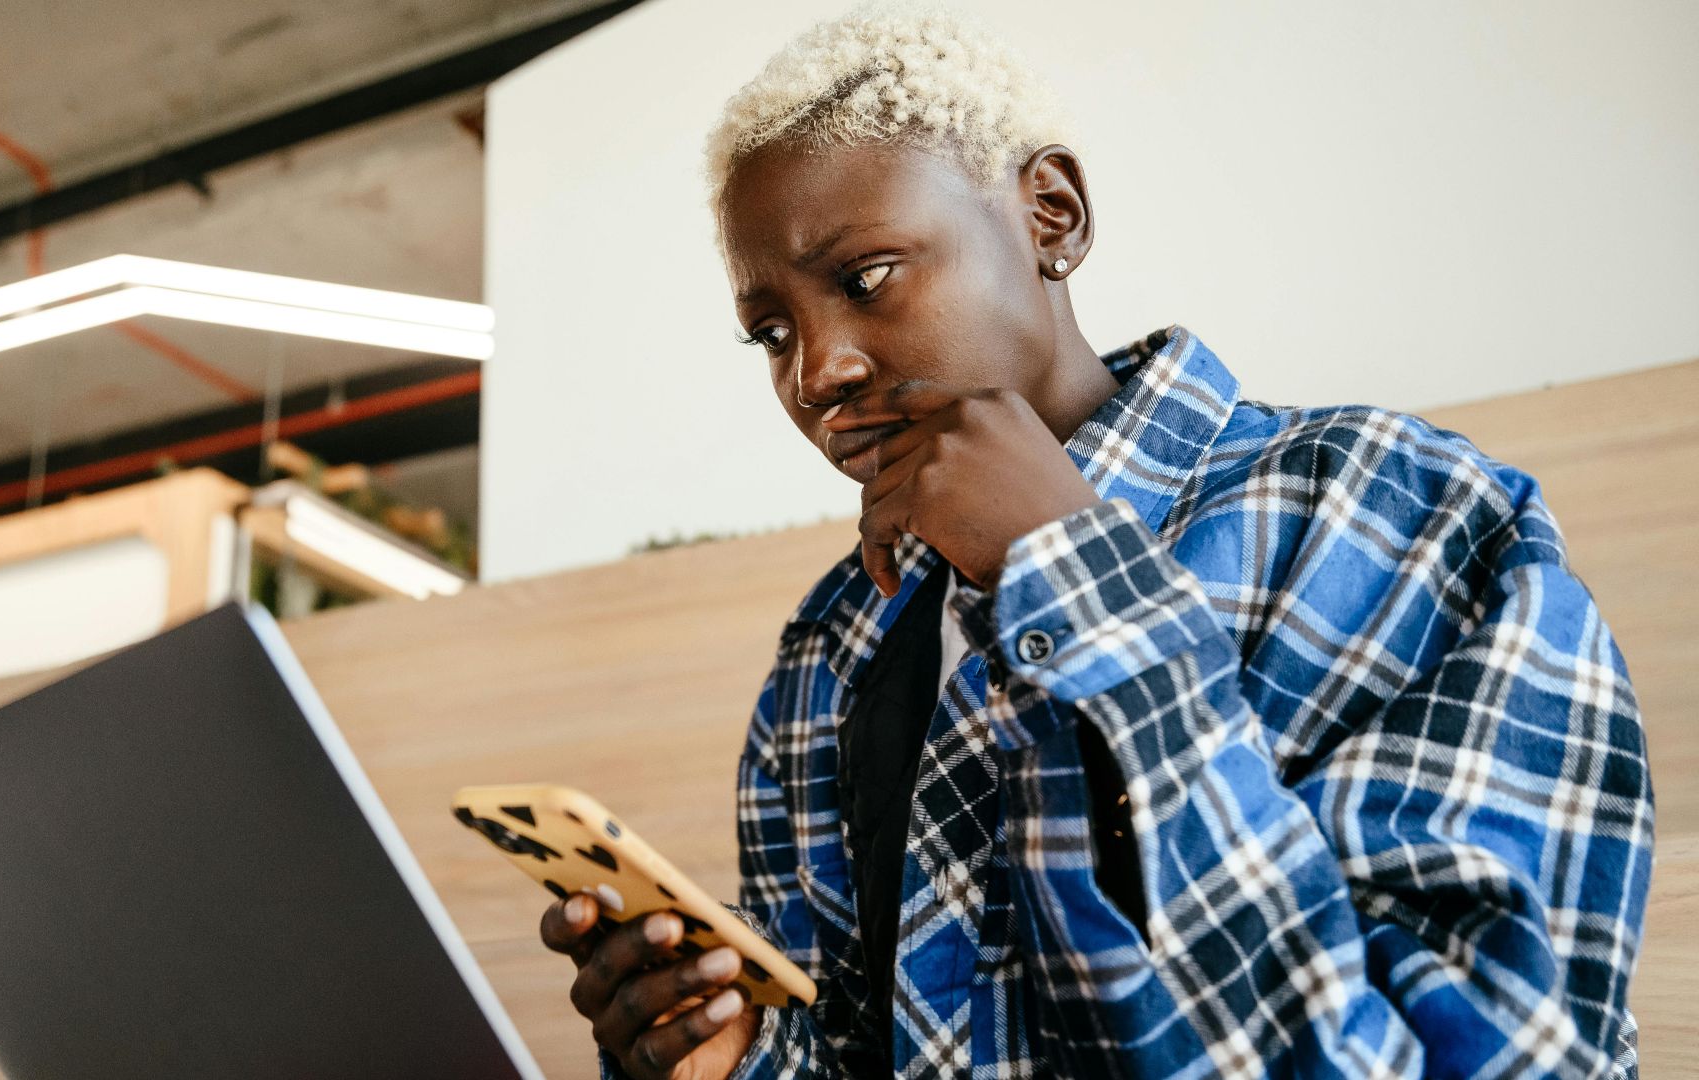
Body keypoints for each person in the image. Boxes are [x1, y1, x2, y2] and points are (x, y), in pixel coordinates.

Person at [537, 5, 1653, 1077]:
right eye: (771, 331)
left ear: (1051, 215)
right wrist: (725, 1054)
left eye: (866, 277)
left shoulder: (1406, 516)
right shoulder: (835, 645)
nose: (817, 372)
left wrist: (1079, 579)